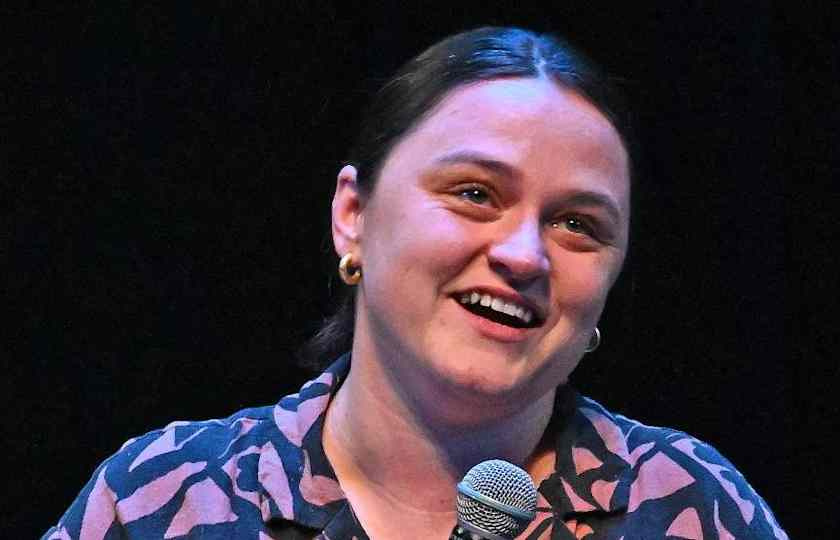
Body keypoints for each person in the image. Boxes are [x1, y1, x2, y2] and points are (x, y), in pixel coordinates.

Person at [44, 26, 787, 539]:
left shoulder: (691, 509)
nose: (525, 256)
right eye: (475, 194)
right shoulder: (170, 498)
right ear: (353, 216)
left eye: (577, 224)